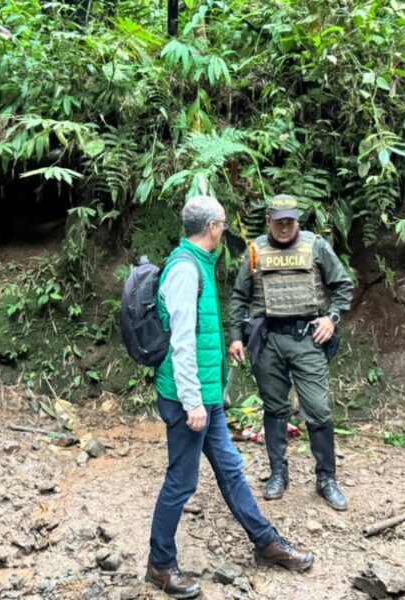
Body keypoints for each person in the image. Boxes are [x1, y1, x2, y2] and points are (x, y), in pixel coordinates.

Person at [146, 195, 314, 599]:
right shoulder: (185, 270)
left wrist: (211, 394)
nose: (224, 229)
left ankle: (266, 543)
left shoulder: (199, 263)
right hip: (188, 401)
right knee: (181, 482)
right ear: (212, 227)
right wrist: (193, 402)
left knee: (231, 470)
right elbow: (183, 342)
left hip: (205, 397)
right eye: (222, 223)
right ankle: (160, 565)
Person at [228, 195, 354, 511]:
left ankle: (326, 479)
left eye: (290, 221)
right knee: (274, 408)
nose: (284, 227)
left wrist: (331, 318)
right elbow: (240, 296)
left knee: (318, 409)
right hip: (267, 339)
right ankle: (278, 474)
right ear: (268, 221)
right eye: (278, 221)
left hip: (307, 338)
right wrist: (236, 337)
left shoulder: (316, 246)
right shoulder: (255, 251)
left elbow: (343, 286)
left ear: (298, 221)